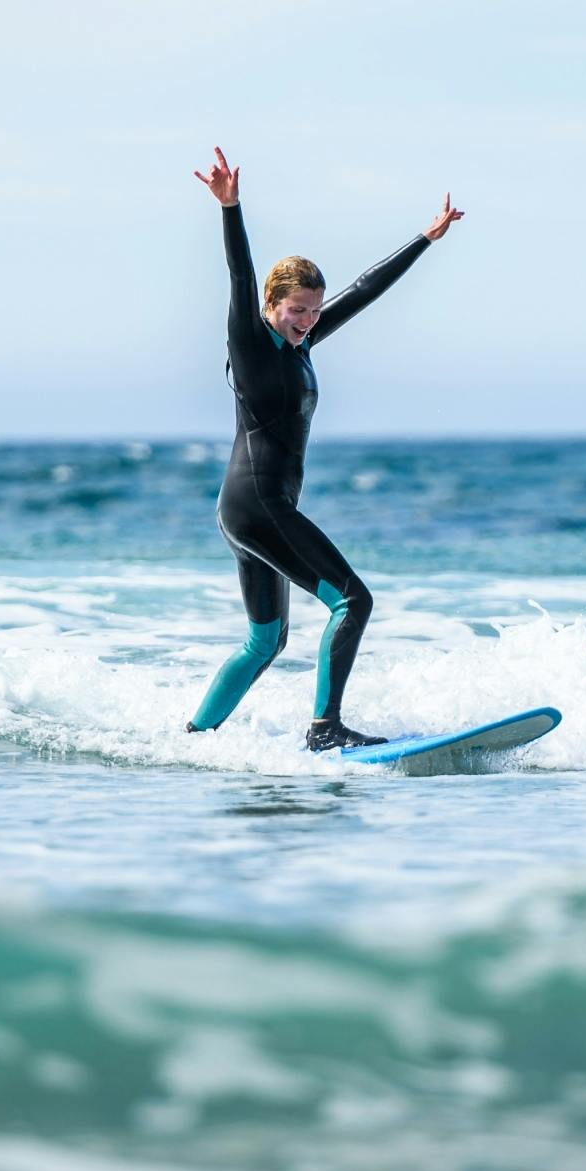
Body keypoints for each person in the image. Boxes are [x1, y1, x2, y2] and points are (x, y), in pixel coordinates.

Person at [187, 147, 464, 750]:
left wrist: (426, 238)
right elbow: (239, 274)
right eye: (297, 310)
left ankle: (193, 737)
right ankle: (325, 728)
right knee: (354, 602)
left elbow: (365, 291)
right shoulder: (254, 341)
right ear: (271, 305)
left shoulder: (300, 347)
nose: (309, 320)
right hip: (260, 505)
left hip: (244, 508)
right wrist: (231, 209)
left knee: (266, 641)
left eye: (315, 310)